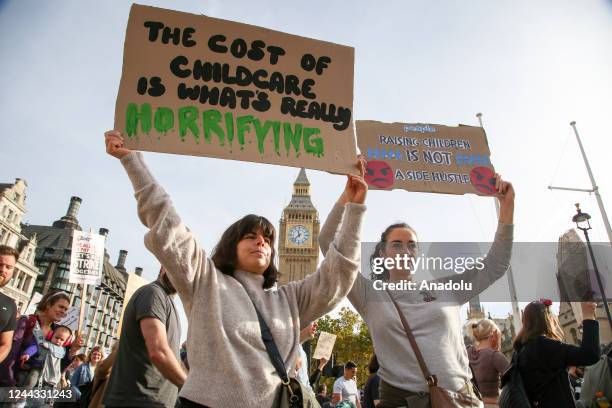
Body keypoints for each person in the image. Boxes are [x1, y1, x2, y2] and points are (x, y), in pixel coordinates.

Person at [104, 129, 367, 407]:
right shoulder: (206, 281)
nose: (261, 242)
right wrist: (131, 159)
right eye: (251, 236)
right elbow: (164, 219)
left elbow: (339, 274)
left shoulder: (288, 299)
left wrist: (355, 205)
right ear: (232, 244)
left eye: (267, 239)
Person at [319, 166, 514, 407]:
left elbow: (495, 265)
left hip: (459, 399)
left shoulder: (446, 288)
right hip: (400, 401)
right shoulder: (368, 294)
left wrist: (506, 207)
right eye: (397, 245)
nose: (405, 251)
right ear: (382, 253)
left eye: (411, 245)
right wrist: (350, 197)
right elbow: (327, 242)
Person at [103, 267, 185, 408]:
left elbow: (173, 356)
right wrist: (190, 389)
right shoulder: (153, 294)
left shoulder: (169, 303)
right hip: (136, 401)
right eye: (174, 264)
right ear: (162, 267)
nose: (178, 271)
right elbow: (158, 351)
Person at [514, 300, 600, 408]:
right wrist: (588, 316)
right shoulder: (543, 346)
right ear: (548, 319)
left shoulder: (520, 351)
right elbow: (590, 354)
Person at [0, 290, 82, 387]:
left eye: (65, 309)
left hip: (39, 391)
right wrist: (9, 384)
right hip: (15, 384)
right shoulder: (27, 322)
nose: (63, 311)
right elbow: (10, 355)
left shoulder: (59, 332)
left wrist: (72, 351)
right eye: (61, 307)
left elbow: (58, 367)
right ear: (48, 304)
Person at [467, 318, 509, 407]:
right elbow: (514, 380)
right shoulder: (495, 356)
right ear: (493, 334)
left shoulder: (468, 352)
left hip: (474, 404)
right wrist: (498, 350)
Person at [0, 245, 19, 364]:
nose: (3, 269)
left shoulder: (10, 305)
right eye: (0, 265)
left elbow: (5, 344)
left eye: (8, 267)